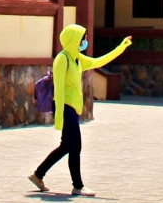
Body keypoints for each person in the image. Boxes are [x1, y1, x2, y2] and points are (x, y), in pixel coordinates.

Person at [29, 24, 131, 197]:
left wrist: (121, 47)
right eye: (82, 38)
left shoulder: (77, 58)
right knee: (75, 146)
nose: (85, 41)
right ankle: (78, 185)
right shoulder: (62, 59)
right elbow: (59, 89)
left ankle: (38, 175)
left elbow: (99, 61)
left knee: (66, 146)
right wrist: (59, 117)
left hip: (72, 108)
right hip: (64, 106)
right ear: (74, 39)